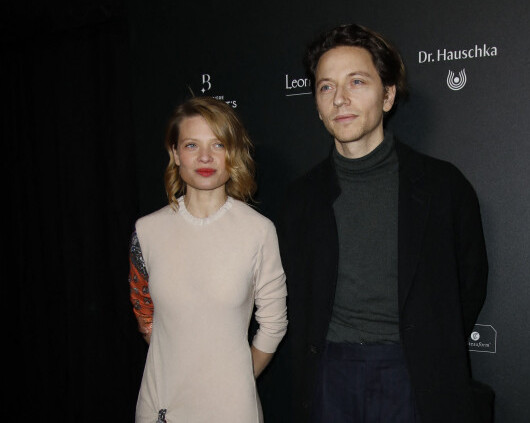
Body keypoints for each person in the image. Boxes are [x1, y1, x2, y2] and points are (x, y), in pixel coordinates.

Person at [278, 24, 494, 422]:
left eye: (356, 81)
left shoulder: (443, 187)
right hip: (329, 373)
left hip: (415, 373)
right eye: (326, 87)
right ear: (316, 104)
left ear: (389, 94)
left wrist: (427, 343)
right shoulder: (298, 201)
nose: (340, 98)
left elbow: (468, 283)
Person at [129, 96, 287, 423]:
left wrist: (235, 380)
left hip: (232, 409)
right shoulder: (146, 231)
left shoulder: (258, 231)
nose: (204, 156)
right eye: (191, 144)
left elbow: (273, 324)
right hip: (162, 406)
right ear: (174, 153)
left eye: (218, 144)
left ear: (233, 152)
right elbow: (146, 320)